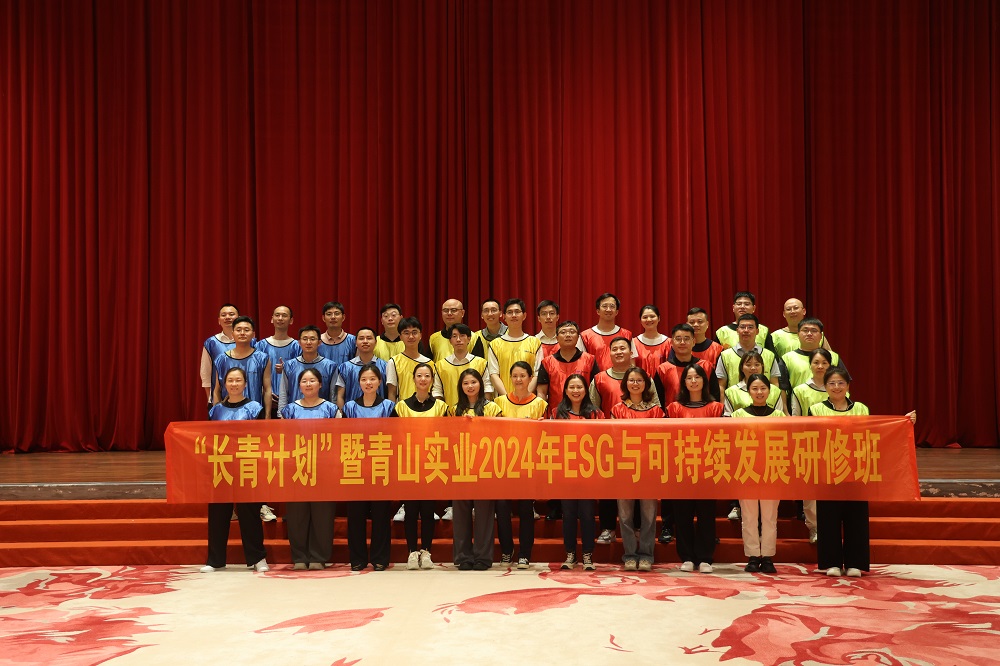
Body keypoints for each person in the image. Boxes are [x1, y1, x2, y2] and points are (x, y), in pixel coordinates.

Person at [201, 367, 268, 573]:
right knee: (218, 514)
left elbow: (261, 438)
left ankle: (257, 558)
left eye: (238, 380)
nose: (234, 384)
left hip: (247, 466)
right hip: (222, 466)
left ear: (245, 384)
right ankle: (215, 560)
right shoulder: (215, 410)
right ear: (224, 384)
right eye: (230, 380)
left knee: (250, 513)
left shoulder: (255, 408)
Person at [808, 368, 871, 578]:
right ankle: (832, 562)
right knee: (828, 518)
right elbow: (809, 438)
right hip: (827, 470)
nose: (837, 387)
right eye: (832, 383)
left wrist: (905, 421)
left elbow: (873, 434)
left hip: (856, 470)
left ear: (848, 386)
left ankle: (855, 563)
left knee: (856, 518)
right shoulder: (816, 409)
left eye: (841, 383)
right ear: (825, 387)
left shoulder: (861, 409)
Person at [667, 363, 724, 573]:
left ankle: (705, 557)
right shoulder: (674, 408)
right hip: (681, 467)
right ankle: (687, 557)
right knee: (682, 515)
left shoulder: (716, 408)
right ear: (684, 382)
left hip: (708, 467)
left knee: (706, 514)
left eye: (697, 377)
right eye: (689, 378)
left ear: (704, 381)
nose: (693, 381)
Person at [280, 368, 339, 570]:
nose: (308, 384)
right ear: (299, 386)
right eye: (304, 381)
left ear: (320, 384)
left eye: (312, 380)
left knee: (323, 515)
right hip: (296, 467)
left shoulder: (331, 409)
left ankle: (318, 556)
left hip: (324, 468)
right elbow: (283, 439)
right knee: (297, 515)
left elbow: (339, 437)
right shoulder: (289, 410)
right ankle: (299, 556)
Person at [341, 362, 397, 571]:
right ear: (359, 383)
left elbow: (395, 436)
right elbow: (343, 437)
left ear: (380, 382)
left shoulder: (389, 407)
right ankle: (357, 558)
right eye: (364, 379)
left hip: (381, 466)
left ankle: (380, 557)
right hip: (356, 467)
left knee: (381, 515)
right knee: (356, 516)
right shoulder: (349, 407)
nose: (368, 383)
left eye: (372, 379)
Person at [394, 363, 450, 570]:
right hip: (409, 465)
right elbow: (394, 435)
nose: (423, 379)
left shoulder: (441, 407)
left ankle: (426, 551)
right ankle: (411, 551)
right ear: (413, 379)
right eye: (419, 376)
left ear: (432, 380)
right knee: (410, 511)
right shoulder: (401, 406)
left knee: (427, 511)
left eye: (427, 376)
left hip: (431, 465)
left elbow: (448, 435)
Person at [494, 361, 548, 569]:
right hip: (503, 464)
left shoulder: (540, 404)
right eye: (515, 376)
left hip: (528, 465)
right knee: (502, 508)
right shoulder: (499, 402)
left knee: (526, 510)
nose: (518, 380)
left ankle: (525, 553)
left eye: (522, 376)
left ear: (530, 378)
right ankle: (507, 550)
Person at [731, 373, 785, 575]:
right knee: (749, 516)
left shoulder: (779, 416)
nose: (759, 392)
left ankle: (768, 556)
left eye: (763, 388)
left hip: (772, 470)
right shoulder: (738, 415)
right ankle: (753, 556)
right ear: (748, 391)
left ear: (770, 391)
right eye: (755, 388)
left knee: (770, 517)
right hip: (746, 471)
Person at [611, 367, 663, 572]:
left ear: (646, 384)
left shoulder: (657, 411)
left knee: (649, 515)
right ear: (625, 384)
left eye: (639, 380)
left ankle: (647, 555)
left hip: (649, 468)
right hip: (625, 468)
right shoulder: (617, 409)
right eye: (631, 380)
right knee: (625, 515)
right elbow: (614, 439)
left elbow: (661, 440)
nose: (635, 384)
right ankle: (630, 554)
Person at [588, 336, 640, 544]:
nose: (619, 352)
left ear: (631, 352)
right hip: (608, 440)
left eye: (623, 348)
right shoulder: (599, 378)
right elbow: (592, 408)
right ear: (609, 353)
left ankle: (637, 528)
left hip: (637, 441)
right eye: (615, 349)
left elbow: (654, 404)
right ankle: (608, 528)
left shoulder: (641, 376)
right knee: (608, 486)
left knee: (636, 484)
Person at [450, 368, 501, 571]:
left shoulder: (492, 408)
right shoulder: (454, 410)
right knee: (460, 515)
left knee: (484, 514)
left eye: (473, 382)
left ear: (480, 384)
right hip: (460, 466)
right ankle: (463, 557)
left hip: (484, 466)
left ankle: (483, 557)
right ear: (461, 387)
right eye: (466, 383)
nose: (470, 386)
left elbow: (499, 435)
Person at [552, 373, 603, 571]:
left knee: (588, 514)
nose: (575, 391)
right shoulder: (557, 413)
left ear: (586, 390)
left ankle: (588, 554)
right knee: (569, 514)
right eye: (571, 387)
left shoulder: (596, 414)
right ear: (565, 390)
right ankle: (570, 554)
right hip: (566, 472)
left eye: (579, 387)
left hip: (588, 474)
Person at [213, 316, 272, 417]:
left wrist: (267, 416)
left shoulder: (262, 358)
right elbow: (217, 390)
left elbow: (267, 390)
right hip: (227, 416)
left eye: (246, 330)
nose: (242, 333)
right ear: (232, 334)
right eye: (238, 330)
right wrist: (217, 414)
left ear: (253, 334)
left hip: (254, 415)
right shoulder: (221, 359)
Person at [536, 320, 599, 408]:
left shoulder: (590, 360)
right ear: (557, 338)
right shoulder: (547, 362)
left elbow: (596, 391)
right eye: (563, 332)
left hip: (584, 413)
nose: (568, 335)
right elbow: (541, 393)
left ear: (578, 337)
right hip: (555, 413)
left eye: (572, 332)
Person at [487, 299, 543, 396]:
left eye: (517, 312)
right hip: (504, 399)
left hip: (529, 400)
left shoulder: (535, 342)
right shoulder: (495, 344)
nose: (513, 315)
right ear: (504, 317)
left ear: (524, 316)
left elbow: (537, 374)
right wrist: (508, 399)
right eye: (509, 312)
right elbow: (494, 374)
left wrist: (525, 396)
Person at [255, 305, 301, 418]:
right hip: (265, 402)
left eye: (284, 315)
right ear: (272, 319)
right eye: (277, 315)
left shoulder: (298, 346)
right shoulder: (260, 346)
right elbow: (255, 373)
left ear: (291, 320)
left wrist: (287, 370)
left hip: (291, 401)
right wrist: (265, 393)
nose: (280, 318)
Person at [655, 324, 718, 406]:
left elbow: (715, 396)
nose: (682, 342)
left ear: (693, 342)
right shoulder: (662, 370)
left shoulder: (706, 367)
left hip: (703, 413)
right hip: (672, 414)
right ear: (672, 342)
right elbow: (658, 401)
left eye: (686, 339)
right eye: (678, 339)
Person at [278, 326, 337, 413]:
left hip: (322, 414)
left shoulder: (330, 366)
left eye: (312, 339)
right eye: (305, 339)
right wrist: (281, 413)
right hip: (294, 414)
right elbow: (283, 393)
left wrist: (333, 413)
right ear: (299, 342)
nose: (308, 342)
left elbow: (333, 395)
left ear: (319, 342)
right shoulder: (289, 365)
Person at [715, 314, 779, 392]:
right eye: (742, 327)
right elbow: (721, 385)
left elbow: (775, 384)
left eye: (750, 327)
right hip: (735, 399)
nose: (746, 330)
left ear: (757, 331)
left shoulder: (769, 355)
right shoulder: (725, 355)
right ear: (737, 331)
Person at [435, 324, 491, 409]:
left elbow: (487, 390)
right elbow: (437, 392)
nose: (458, 339)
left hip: (477, 413)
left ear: (469, 339)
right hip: (450, 413)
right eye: (454, 336)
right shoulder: (440, 366)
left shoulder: (481, 363)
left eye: (462, 336)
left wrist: (484, 410)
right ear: (450, 340)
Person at [779, 317, 844, 390]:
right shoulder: (787, 358)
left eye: (814, 330)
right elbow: (782, 388)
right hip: (798, 397)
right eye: (805, 330)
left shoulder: (833, 356)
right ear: (798, 334)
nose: (809, 334)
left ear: (821, 336)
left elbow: (844, 382)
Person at [335, 327, 387, 409]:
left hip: (380, 413)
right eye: (361, 338)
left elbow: (390, 393)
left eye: (369, 338)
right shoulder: (345, 367)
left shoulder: (385, 366)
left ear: (376, 342)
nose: (365, 341)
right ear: (356, 342)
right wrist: (343, 413)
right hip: (352, 414)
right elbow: (340, 396)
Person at [579, 293, 633, 371]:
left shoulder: (627, 334)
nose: (608, 309)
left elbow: (632, 362)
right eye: (604, 306)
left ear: (617, 312)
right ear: (598, 311)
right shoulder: (585, 336)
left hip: (622, 377)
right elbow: (581, 363)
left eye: (612, 306)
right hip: (595, 378)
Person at [385, 317, 435, 402]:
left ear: (420, 335)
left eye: (414, 332)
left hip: (426, 408)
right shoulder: (394, 362)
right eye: (406, 333)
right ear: (400, 337)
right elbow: (392, 393)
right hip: (402, 408)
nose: (411, 336)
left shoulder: (430, 363)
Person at [201, 303, 239, 411]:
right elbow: (205, 373)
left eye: (231, 314)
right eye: (223, 315)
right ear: (219, 320)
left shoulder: (249, 342)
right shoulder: (211, 343)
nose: (227, 317)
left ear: (239, 318)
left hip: (246, 399)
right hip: (219, 400)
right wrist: (211, 399)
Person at [723, 351, 784, 415]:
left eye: (757, 365)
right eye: (748, 365)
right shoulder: (731, 392)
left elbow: (779, 415)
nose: (753, 368)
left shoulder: (775, 391)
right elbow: (728, 418)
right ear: (741, 368)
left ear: (762, 366)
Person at [632, 305, 671, 379]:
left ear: (659, 318)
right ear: (640, 320)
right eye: (645, 317)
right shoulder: (634, 343)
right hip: (640, 384)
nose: (649, 320)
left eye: (652, 316)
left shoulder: (669, 342)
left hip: (663, 384)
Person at [318, 301, 357, 367]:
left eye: (337, 314)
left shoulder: (353, 340)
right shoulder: (317, 341)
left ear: (343, 317)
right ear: (323, 318)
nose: (333, 317)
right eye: (329, 314)